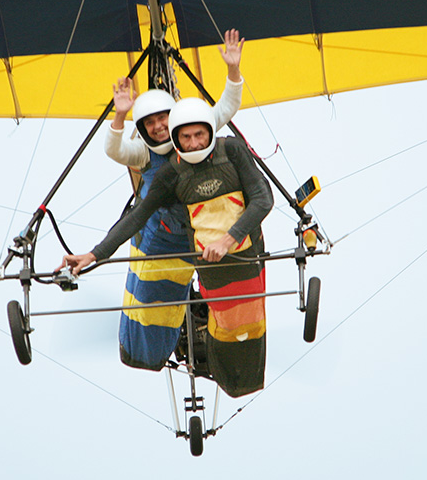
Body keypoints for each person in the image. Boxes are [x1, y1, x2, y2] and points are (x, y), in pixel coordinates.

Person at [61, 98, 274, 397]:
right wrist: (95, 254)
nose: (193, 143)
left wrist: (229, 239)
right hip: (197, 252)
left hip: (241, 249)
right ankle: (176, 336)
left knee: (242, 324)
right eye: (185, 138)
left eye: (199, 134)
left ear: (210, 132)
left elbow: (263, 199)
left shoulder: (232, 150)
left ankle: (236, 370)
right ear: (175, 140)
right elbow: (137, 216)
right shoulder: (171, 173)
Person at [100, 30, 245, 374]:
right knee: (152, 297)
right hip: (163, 238)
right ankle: (152, 344)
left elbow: (226, 107)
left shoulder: (193, 134)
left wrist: (233, 70)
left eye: (162, 119)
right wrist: (120, 115)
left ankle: (210, 327)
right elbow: (114, 150)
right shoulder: (145, 153)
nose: (158, 127)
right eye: (149, 123)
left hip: (203, 233)